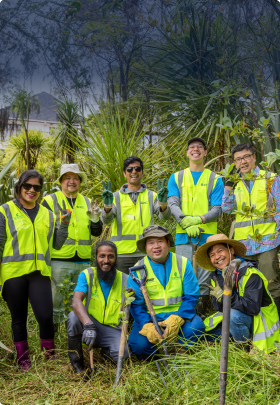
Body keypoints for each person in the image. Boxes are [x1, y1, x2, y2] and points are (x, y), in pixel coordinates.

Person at [0, 170, 71, 371]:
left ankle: (49, 356)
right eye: (27, 186)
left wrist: (63, 224)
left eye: (36, 187)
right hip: (13, 273)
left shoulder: (47, 214)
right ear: (19, 187)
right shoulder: (5, 210)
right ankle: (23, 360)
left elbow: (56, 244)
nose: (32, 190)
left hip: (39, 272)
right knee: (18, 318)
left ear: (41, 190)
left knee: (45, 315)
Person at [127, 225, 205, 360]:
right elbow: (136, 305)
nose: (156, 246)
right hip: (150, 318)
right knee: (139, 345)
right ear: (146, 247)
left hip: (179, 315)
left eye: (160, 241)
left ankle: (180, 352)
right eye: (151, 242)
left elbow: (191, 296)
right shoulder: (137, 270)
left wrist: (179, 317)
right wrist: (146, 324)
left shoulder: (183, 263)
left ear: (168, 243)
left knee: (196, 328)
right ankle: (155, 358)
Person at [167, 137, 224, 315]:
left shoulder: (215, 179)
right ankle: (183, 317)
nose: (196, 149)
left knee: (204, 279)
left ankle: (200, 315)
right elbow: (172, 203)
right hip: (184, 237)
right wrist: (185, 222)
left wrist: (197, 220)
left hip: (207, 238)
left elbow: (217, 209)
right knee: (184, 277)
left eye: (200, 147)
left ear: (205, 152)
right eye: (192, 147)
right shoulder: (176, 177)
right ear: (187, 153)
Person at [221, 143, 280, 315]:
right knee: (247, 286)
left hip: (267, 242)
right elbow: (226, 208)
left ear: (254, 157)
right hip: (243, 245)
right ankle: (255, 328)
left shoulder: (269, 178)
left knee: (271, 283)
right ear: (234, 163)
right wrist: (227, 188)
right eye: (238, 159)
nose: (243, 162)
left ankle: (275, 326)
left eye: (246, 157)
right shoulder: (234, 182)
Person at [195, 234, 280, 353]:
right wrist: (221, 297)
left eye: (220, 251)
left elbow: (252, 307)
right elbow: (218, 307)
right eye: (212, 255)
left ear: (232, 250)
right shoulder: (216, 276)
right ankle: (237, 337)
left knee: (233, 315)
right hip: (236, 321)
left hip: (258, 323)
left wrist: (226, 296)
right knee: (199, 333)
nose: (217, 257)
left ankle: (244, 350)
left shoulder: (250, 274)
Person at [42, 164, 103, 325]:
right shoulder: (49, 201)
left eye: (75, 178)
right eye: (67, 178)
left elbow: (96, 232)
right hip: (58, 260)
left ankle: (74, 338)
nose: (72, 181)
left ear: (80, 181)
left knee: (79, 304)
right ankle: (54, 339)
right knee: (56, 304)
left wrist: (96, 220)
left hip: (82, 262)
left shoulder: (88, 202)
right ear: (61, 181)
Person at [66, 241, 129, 377]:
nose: (106, 261)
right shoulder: (87, 275)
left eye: (110, 256)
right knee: (73, 317)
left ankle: (105, 353)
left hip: (113, 329)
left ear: (116, 258)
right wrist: (88, 325)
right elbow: (76, 302)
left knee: (123, 356)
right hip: (89, 325)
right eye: (102, 256)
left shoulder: (125, 279)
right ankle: (78, 367)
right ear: (95, 257)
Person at [101, 156, 171, 275]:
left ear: (142, 172)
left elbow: (164, 216)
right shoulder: (114, 197)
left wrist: (163, 203)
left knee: (147, 289)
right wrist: (107, 207)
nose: (134, 172)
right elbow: (106, 221)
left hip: (145, 251)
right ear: (124, 173)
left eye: (137, 169)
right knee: (123, 290)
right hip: (121, 253)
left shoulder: (152, 196)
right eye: (129, 169)